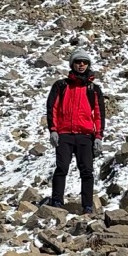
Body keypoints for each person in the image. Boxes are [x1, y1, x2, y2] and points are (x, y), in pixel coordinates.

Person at [44, 54, 105, 213]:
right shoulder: (61, 85)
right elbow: (53, 109)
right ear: (72, 64)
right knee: (62, 168)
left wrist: (98, 136)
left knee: (87, 172)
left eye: (85, 62)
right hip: (64, 134)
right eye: (78, 62)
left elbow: (99, 114)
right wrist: (53, 130)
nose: (81, 64)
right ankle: (57, 202)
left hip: (85, 136)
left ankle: (87, 206)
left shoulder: (93, 89)